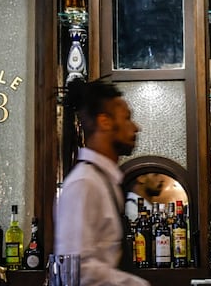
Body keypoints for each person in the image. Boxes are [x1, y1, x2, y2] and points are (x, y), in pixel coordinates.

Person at [54, 78, 150, 286]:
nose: (136, 127)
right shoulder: (84, 184)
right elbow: (78, 269)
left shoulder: (103, 181)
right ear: (104, 121)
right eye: (127, 118)